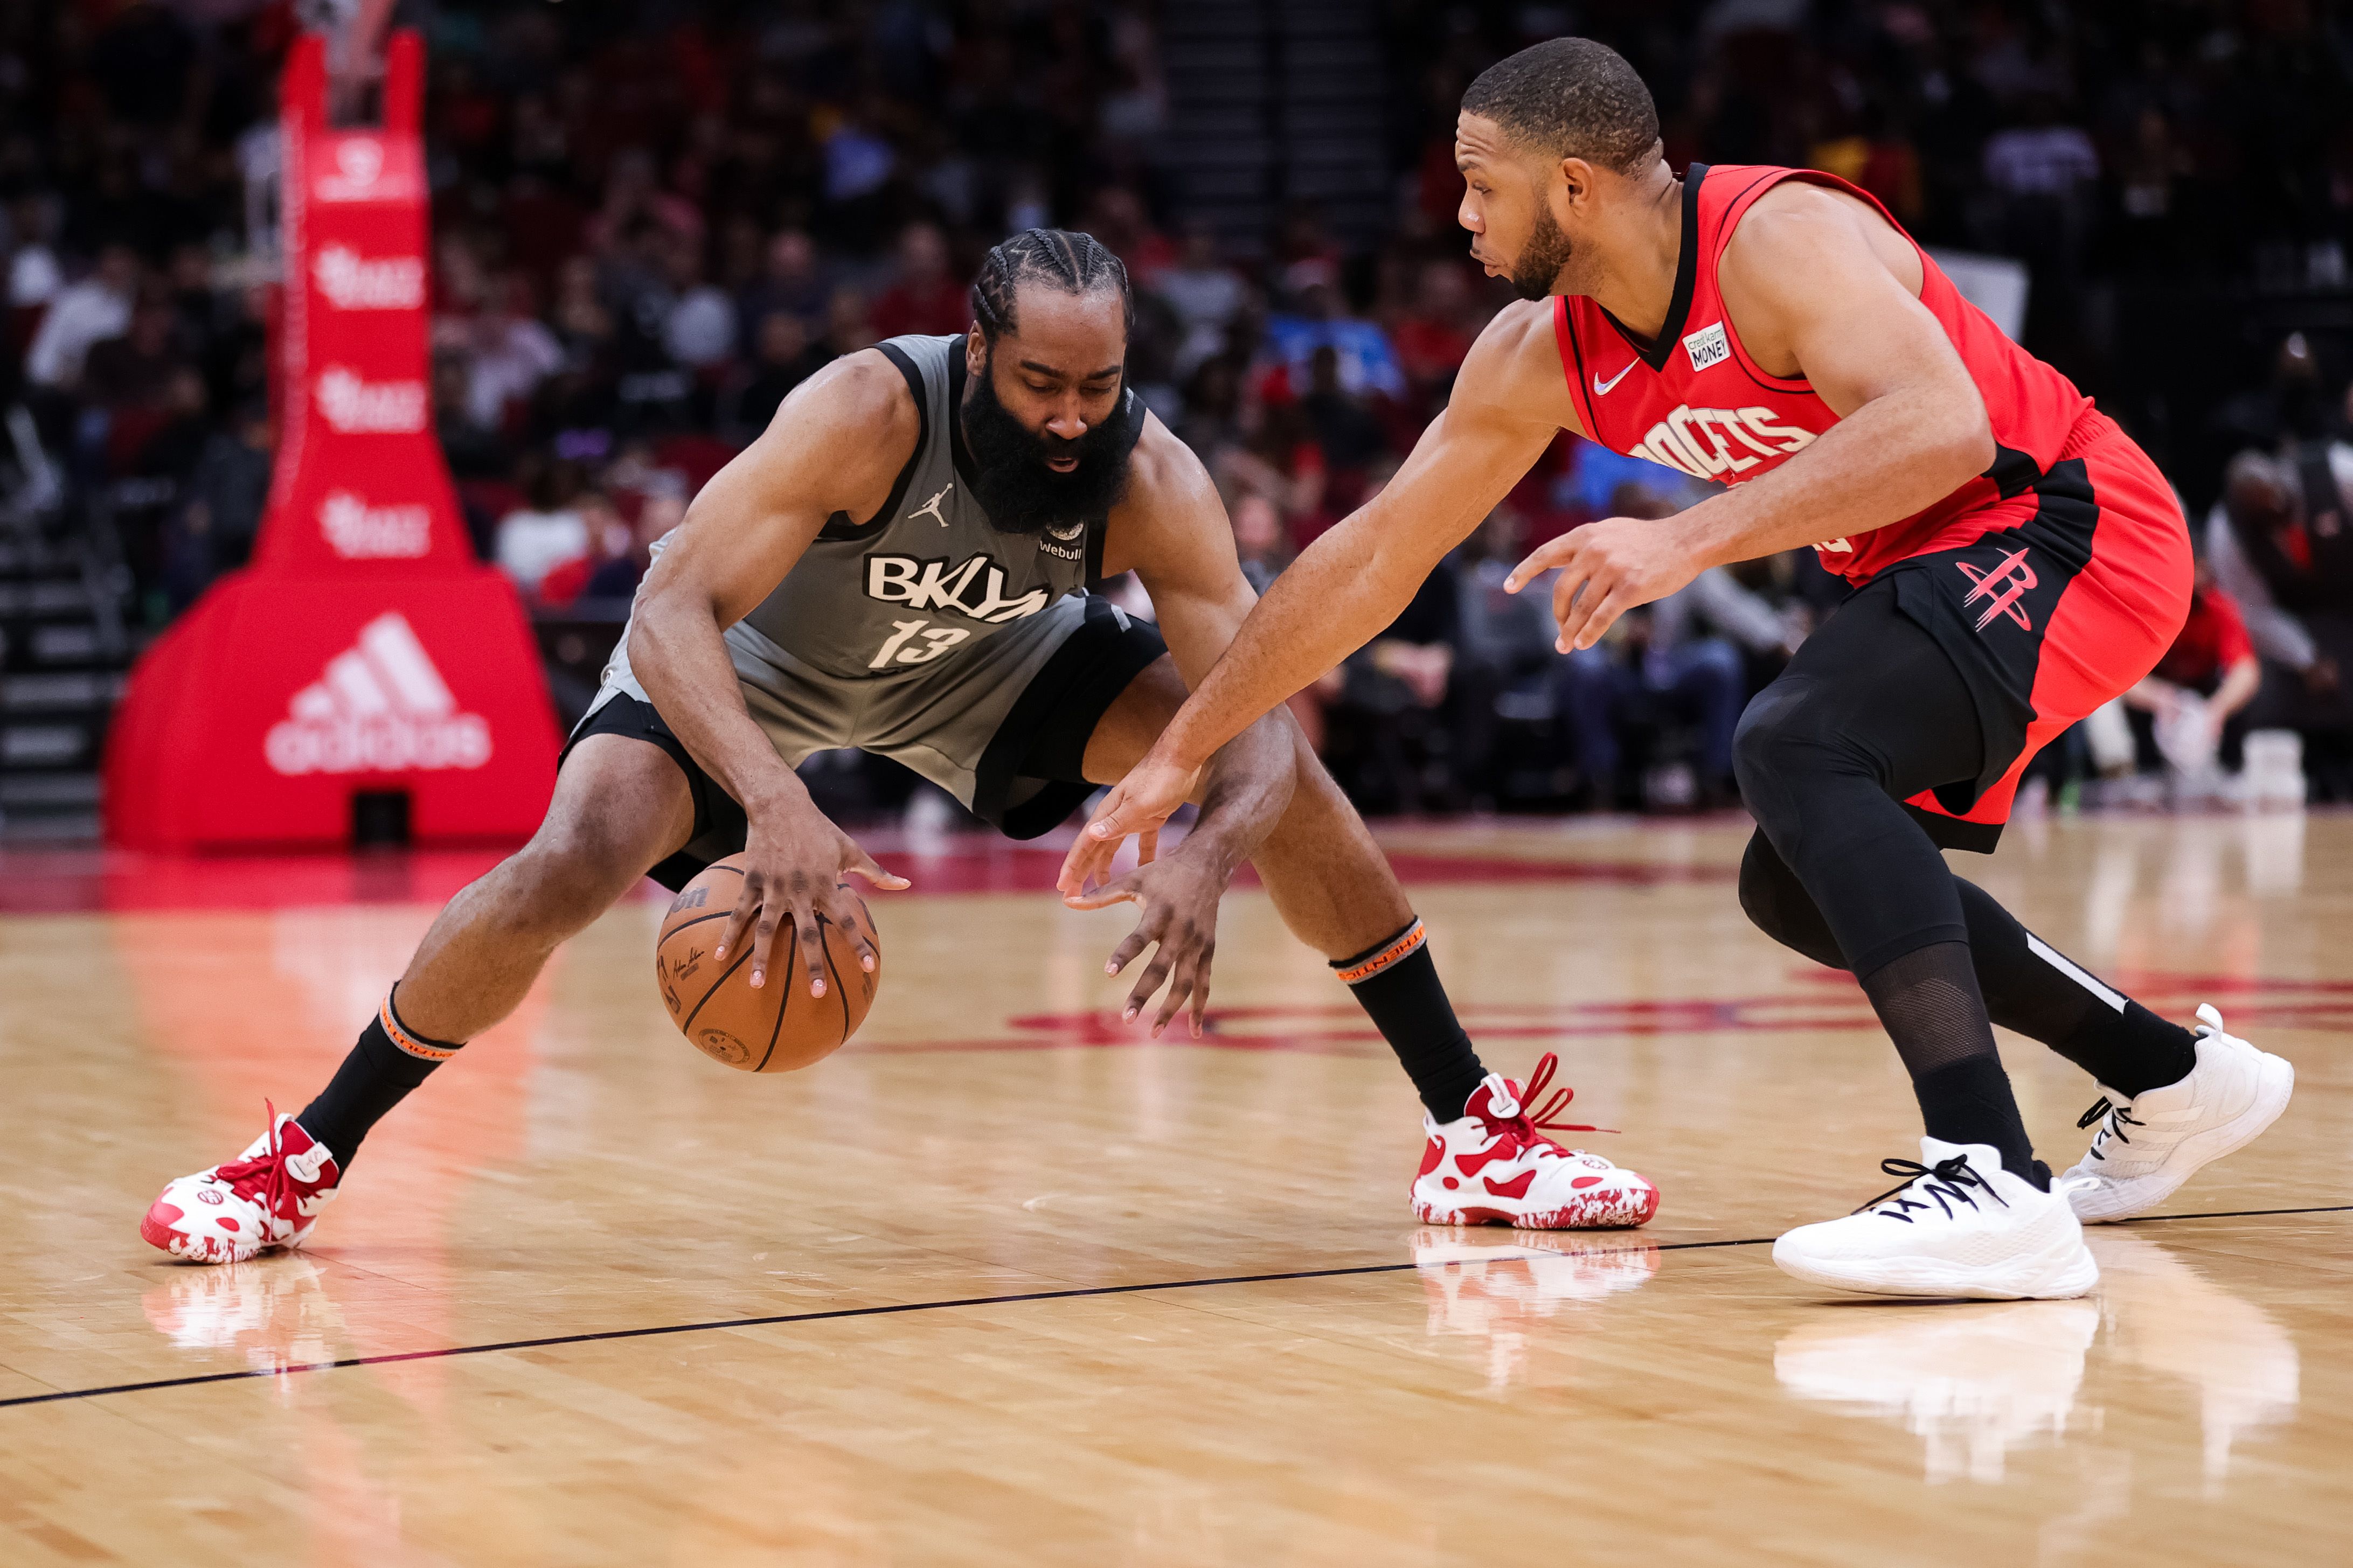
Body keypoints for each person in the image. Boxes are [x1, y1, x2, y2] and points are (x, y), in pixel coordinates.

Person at [143, 231, 1656, 1266]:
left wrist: (1204, 852)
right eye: (1041, 384)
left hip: (989, 673)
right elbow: (666, 605)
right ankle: (300, 1159)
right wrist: (773, 798)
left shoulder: (1151, 475)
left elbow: (1261, 710)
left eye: (1100, 386)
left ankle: (1473, 1136)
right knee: (579, 848)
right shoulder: (867, 410)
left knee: (1297, 788)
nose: (1073, 419)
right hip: (751, 671)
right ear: (976, 344)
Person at [1073, 41, 2294, 1302]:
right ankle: (2172, 1077)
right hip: (1944, 562)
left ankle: (1991, 1173)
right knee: (1798, 883)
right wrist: (1184, 745)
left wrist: (1682, 538)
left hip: (2073, 521)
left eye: (1483, 183)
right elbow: (1372, 555)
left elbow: (1945, 426)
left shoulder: (1777, 237)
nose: (1461, 214)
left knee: (1794, 744)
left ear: (1578, 187)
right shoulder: (1539, 351)